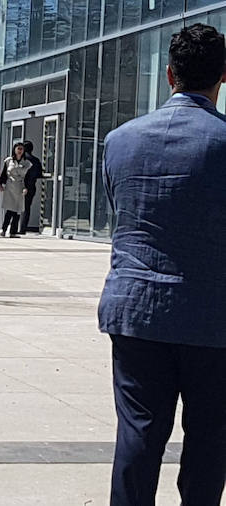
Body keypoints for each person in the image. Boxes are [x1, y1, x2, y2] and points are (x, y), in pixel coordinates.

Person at [99, 23, 226, 506]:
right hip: (213, 320)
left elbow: (123, 212)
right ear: (224, 76)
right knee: (210, 441)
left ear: (168, 73)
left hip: (137, 312)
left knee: (137, 436)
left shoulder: (120, 141)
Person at [0, 142, 31, 238]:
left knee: (17, 210)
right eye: (18, 148)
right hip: (10, 187)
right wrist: (1, 184)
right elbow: (4, 174)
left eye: (21, 149)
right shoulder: (8, 161)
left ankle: (13, 231)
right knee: (9, 210)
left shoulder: (27, 163)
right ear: (14, 149)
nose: (20, 151)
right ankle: (4, 229)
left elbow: (28, 177)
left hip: (20, 187)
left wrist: (26, 188)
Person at [19, 140, 44, 234]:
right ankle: (23, 228)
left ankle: (14, 227)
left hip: (19, 186)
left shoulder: (21, 160)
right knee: (26, 208)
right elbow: (39, 174)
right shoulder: (36, 160)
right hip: (31, 186)